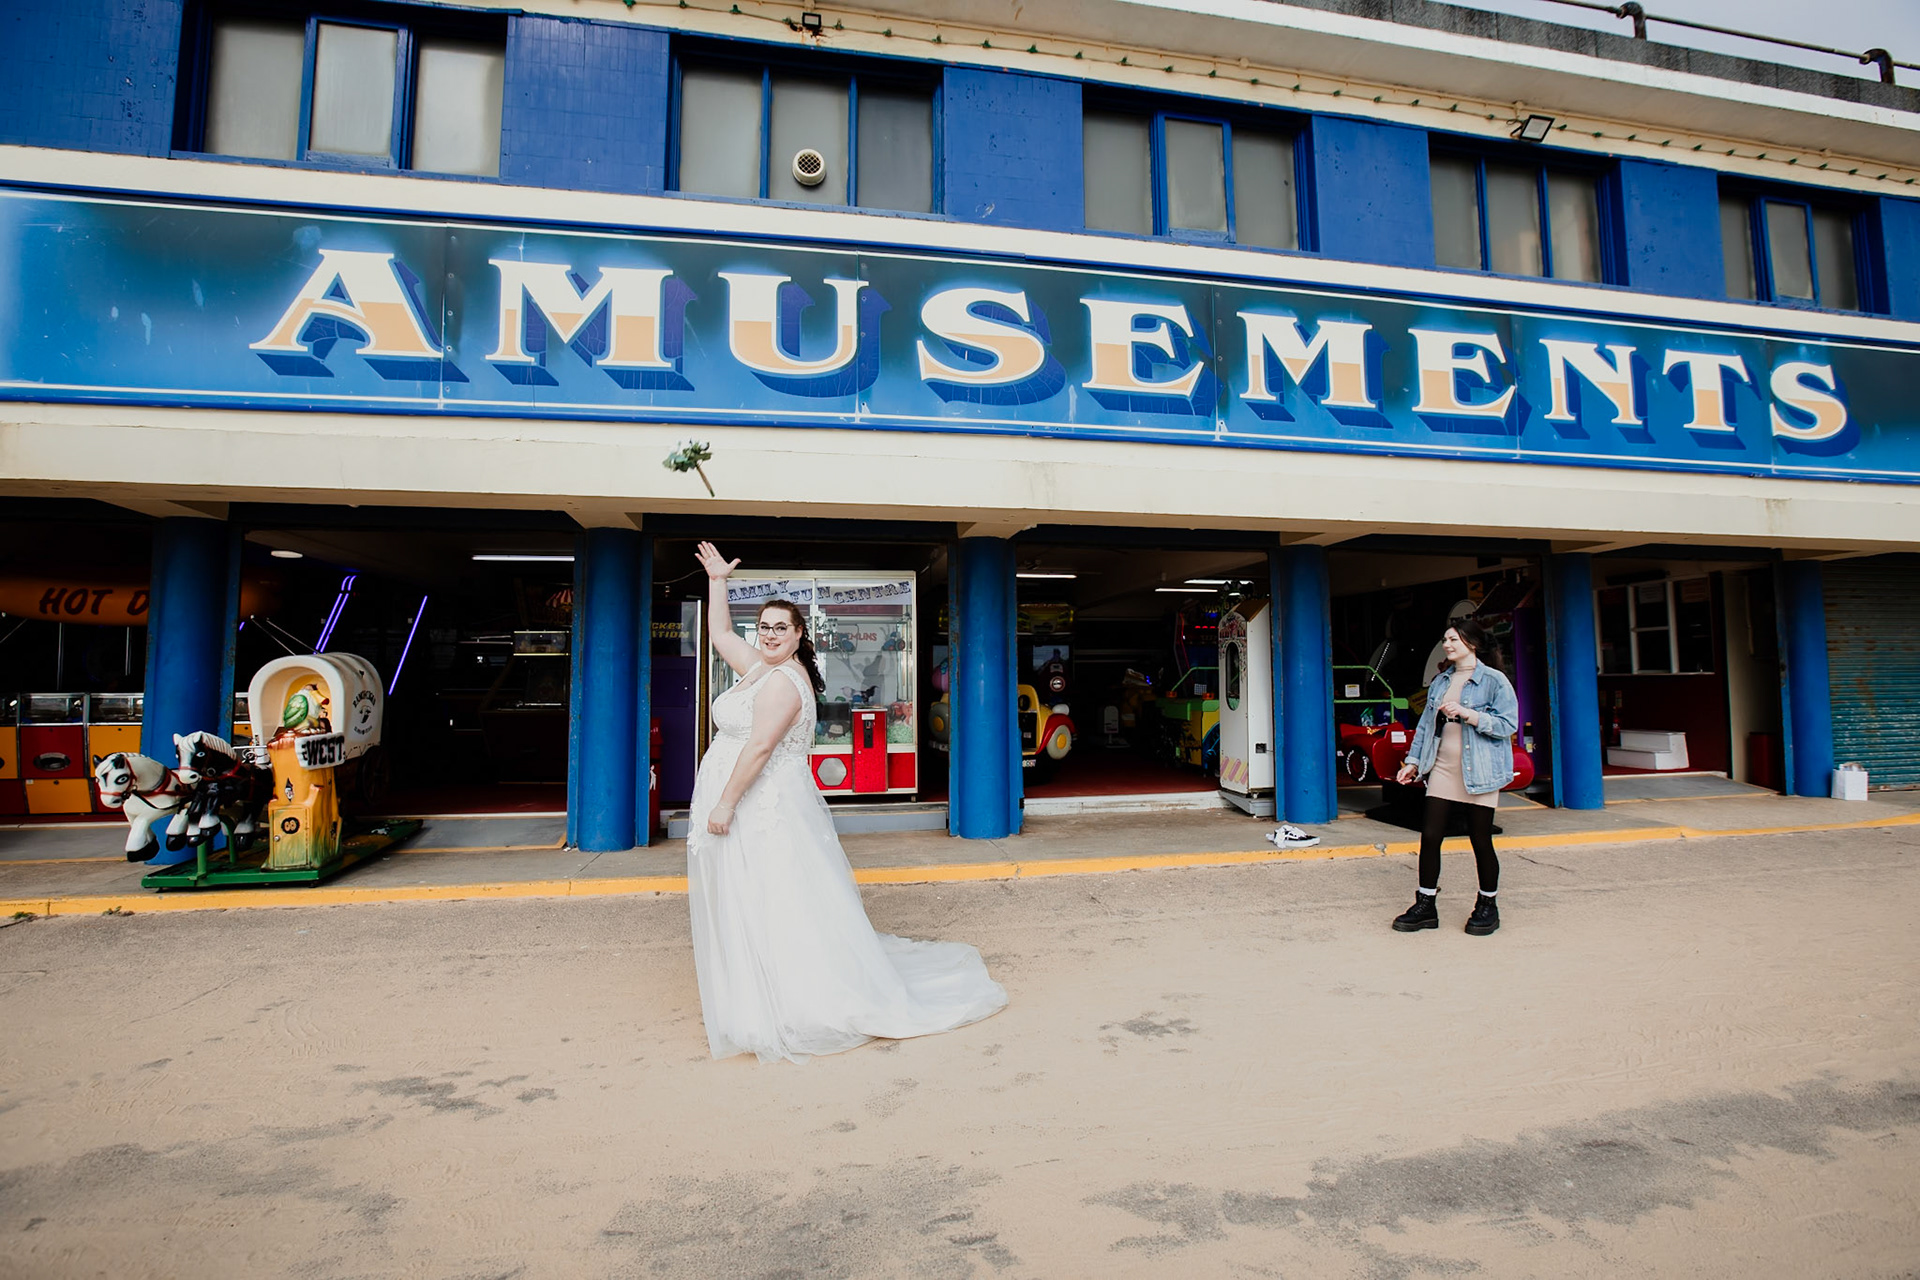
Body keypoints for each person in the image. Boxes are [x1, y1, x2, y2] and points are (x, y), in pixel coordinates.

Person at [685, 541, 1008, 1063]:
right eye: (763, 627)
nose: (769, 634)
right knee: (753, 895)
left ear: (799, 634)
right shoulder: (758, 666)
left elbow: (760, 748)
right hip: (752, 804)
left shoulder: (783, 682)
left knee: (773, 897)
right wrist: (718, 582)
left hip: (760, 808)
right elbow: (721, 634)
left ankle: (791, 999)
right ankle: (760, 985)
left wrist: (724, 805)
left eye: (781, 628)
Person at [1390, 619, 1518, 936]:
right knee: (1431, 836)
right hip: (1443, 767)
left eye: (1453, 640)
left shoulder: (1494, 680)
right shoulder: (1441, 681)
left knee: (1480, 839)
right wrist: (1414, 762)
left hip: (1481, 769)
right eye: (1445, 639)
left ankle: (1487, 905)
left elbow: (1508, 724)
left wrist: (1467, 714)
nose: (1447, 645)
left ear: (1471, 644)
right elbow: (1425, 726)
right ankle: (1425, 905)